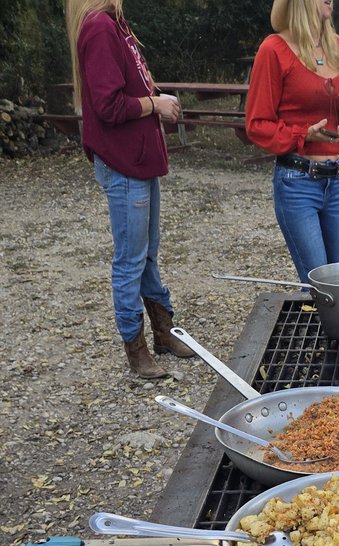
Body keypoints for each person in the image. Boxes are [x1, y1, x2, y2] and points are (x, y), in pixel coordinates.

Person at [65, 0, 194, 380]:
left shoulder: (116, 24)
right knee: (130, 259)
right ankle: (134, 348)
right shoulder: (100, 27)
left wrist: (155, 95)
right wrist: (155, 104)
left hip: (137, 161)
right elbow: (108, 106)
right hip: (123, 164)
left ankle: (163, 330)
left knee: (146, 254)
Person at [247, 0, 339, 281]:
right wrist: (303, 134)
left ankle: (329, 327)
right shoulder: (273, 49)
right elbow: (256, 124)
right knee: (320, 285)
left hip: (336, 181)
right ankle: (317, 325)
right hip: (297, 182)